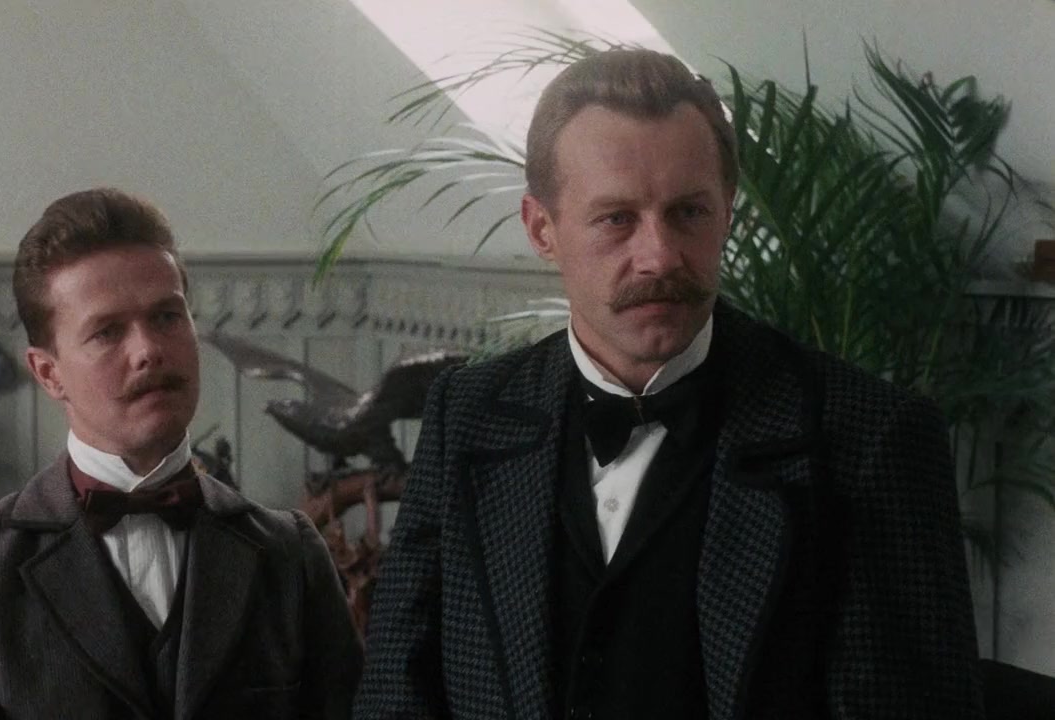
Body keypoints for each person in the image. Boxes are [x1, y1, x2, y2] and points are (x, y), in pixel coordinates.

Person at [354, 50, 981, 719]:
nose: (658, 256)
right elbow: (395, 693)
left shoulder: (869, 436)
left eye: (688, 212)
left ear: (727, 213)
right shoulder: (465, 412)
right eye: (616, 218)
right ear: (542, 229)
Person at [0, 188, 362, 719]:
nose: (148, 350)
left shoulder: (290, 555)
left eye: (167, 317)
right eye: (107, 332)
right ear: (49, 373)